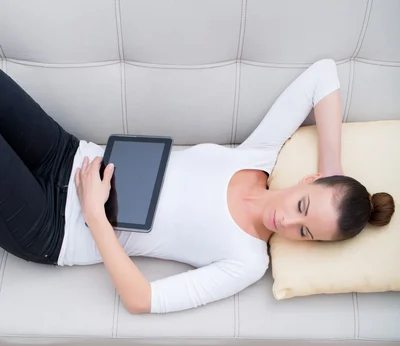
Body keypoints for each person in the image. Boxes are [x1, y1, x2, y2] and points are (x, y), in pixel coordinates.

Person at [0, 60, 394, 314]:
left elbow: (143, 300)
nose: (286, 221)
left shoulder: (248, 262)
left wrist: (94, 215)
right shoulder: (258, 155)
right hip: (67, 154)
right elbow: (323, 75)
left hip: (54, 228)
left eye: (305, 232)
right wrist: (332, 168)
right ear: (309, 181)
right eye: (304, 205)